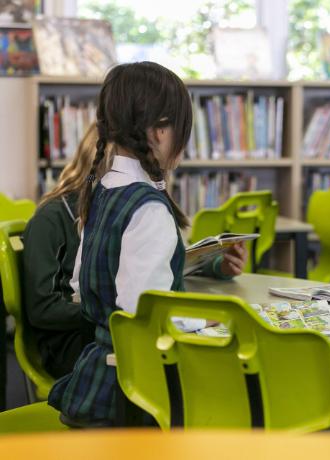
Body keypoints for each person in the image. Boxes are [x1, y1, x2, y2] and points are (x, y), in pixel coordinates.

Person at [48, 61, 247, 427]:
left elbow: (80, 284)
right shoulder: (149, 209)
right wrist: (200, 321)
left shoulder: (102, 190)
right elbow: (144, 315)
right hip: (135, 391)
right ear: (160, 129)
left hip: (97, 372)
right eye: (182, 130)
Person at [22, 124, 107, 378]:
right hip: (66, 343)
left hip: (95, 329)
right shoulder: (50, 219)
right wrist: (104, 312)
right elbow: (42, 308)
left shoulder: (109, 212)